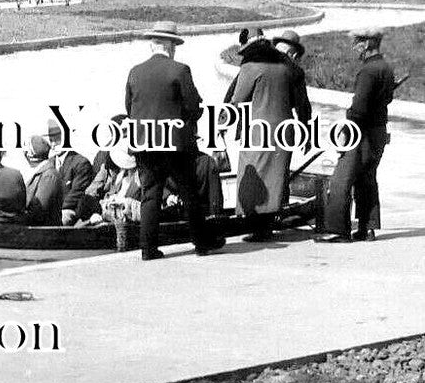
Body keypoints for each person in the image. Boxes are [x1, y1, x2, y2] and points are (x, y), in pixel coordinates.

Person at [124, 20, 224, 260]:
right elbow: (193, 106)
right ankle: (201, 243)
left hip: (144, 141)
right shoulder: (180, 70)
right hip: (175, 143)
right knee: (189, 192)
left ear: (152, 45)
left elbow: (128, 107)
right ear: (171, 46)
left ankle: (148, 249)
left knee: (150, 194)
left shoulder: (135, 71)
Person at [227, 34, 311, 241]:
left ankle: (258, 227)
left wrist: (224, 123)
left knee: (253, 176)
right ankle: (272, 222)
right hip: (284, 130)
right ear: (292, 53)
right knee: (278, 177)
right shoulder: (292, 70)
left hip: (257, 131)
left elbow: (235, 98)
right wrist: (306, 134)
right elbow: (302, 106)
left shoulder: (251, 66)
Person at [318, 27, 397, 243]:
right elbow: (387, 99)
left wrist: (346, 132)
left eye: (358, 42)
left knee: (340, 181)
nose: (355, 47)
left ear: (368, 43)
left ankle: (339, 230)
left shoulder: (367, 71)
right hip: (378, 131)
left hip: (360, 132)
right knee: (367, 179)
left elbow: (359, 108)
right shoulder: (386, 68)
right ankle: (367, 228)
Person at [46, 120, 94, 225]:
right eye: (51, 140)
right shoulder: (49, 163)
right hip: (53, 212)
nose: (53, 145)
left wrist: (54, 212)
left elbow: (76, 194)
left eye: (57, 140)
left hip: (70, 210)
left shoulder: (81, 163)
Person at [21, 136, 63, 225]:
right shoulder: (42, 172)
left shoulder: (49, 176)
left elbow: (38, 211)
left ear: (29, 154)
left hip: (44, 230)